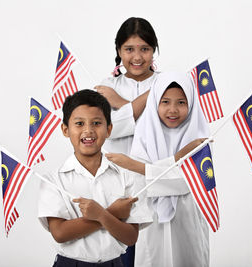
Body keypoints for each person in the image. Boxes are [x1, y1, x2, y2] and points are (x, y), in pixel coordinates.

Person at [106, 72, 211, 267]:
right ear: (155, 102)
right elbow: (139, 183)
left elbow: (186, 182)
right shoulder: (145, 133)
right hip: (151, 219)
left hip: (188, 219)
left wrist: (135, 165)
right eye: (165, 102)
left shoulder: (199, 136)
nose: (173, 110)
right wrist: (178, 160)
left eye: (181, 102)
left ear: (191, 103)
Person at [38, 89, 152, 267]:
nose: (88, 130)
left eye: (97, 123)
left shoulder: (126, 176)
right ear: (65, 130)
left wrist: (101, 215)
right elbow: (59, 233)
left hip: (114, 263)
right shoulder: (53, 180)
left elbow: (131, 238)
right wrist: (111, 213)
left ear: (109, 129)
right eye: (79, 123)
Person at [94, 17, 160, 267]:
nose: (137, 57)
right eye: (129, 49)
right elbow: (111, 129)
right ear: (118, 50)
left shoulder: (165, 85)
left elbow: (165, 127)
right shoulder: (107, 86)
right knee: (117, 256)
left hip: (154, 184)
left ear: (154, 50)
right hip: (117, 186)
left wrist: (119, 103)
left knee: (153, 256)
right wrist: (147, 108)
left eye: (145, 49)